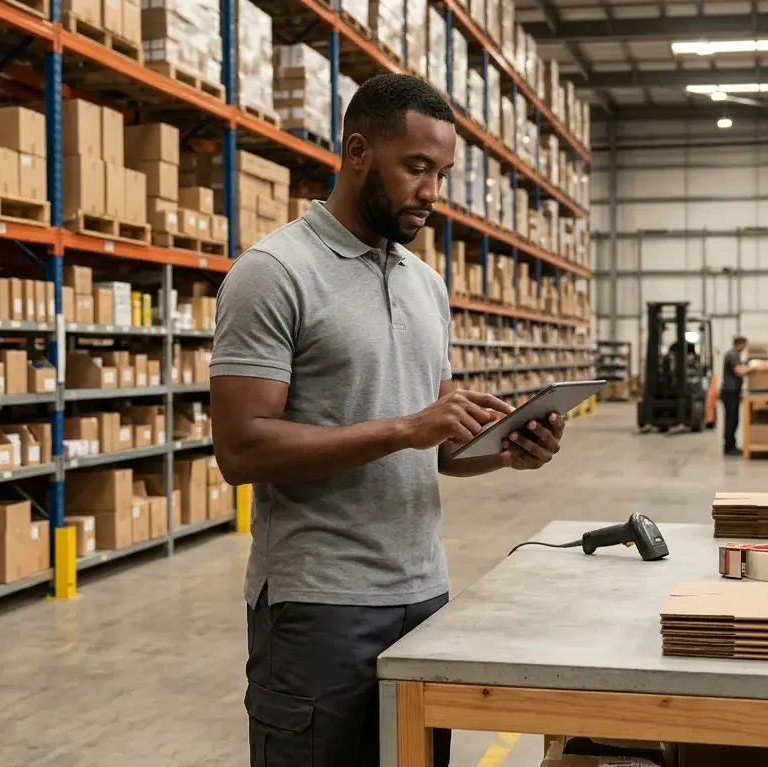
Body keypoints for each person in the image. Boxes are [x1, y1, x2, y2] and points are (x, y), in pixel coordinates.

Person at [210, 73, 567, 767]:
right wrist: (407, 427)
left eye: (443, 173)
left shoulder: (426, 284)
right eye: (417, 167)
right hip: (320, 606)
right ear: (357, 152)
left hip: (425, 593)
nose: (433, 191)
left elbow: (436, 449)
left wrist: (505, 448)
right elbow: (242, 448)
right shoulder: (275, 272)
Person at [720, 335, 750, 455]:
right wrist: (754, 368)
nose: (745, 347)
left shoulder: (735, 355)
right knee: (731, 419)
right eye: (744, 345)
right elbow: (739, 371)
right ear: (740, 344)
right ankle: (728, 447)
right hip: (729, 392)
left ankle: (732, 445)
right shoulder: (732, 354)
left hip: (734, 391)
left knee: (734, 419)